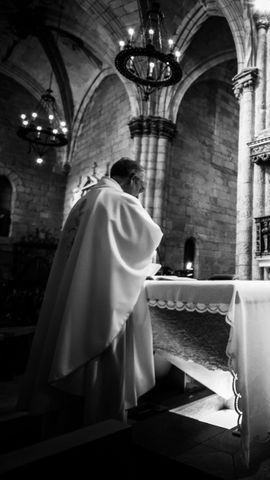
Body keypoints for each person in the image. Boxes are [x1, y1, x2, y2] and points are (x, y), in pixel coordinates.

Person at [17, 157, 163, 434]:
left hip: (76, 292)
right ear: (132, 178)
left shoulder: (84, 201)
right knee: (103, 350)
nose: (142, 189)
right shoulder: (119, 201)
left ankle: (66, 413)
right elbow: (151, 235)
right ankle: (99, 418)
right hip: (107, 297)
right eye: (142, 182)